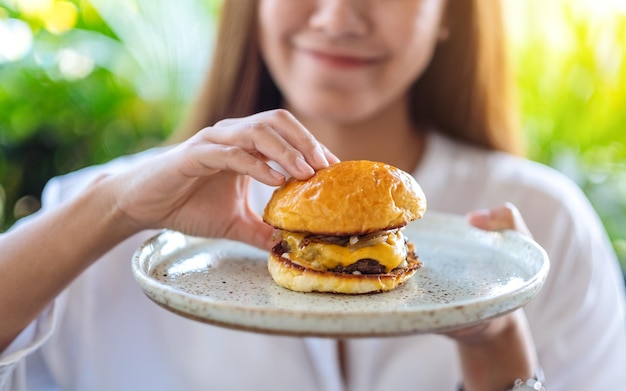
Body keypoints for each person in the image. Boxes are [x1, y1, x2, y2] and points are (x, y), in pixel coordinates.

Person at [1, 0, 625, 390]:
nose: (337, 16)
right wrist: (115, 209)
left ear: (449, 15)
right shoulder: (114, 212)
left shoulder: (542, 226)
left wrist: (496, 351)